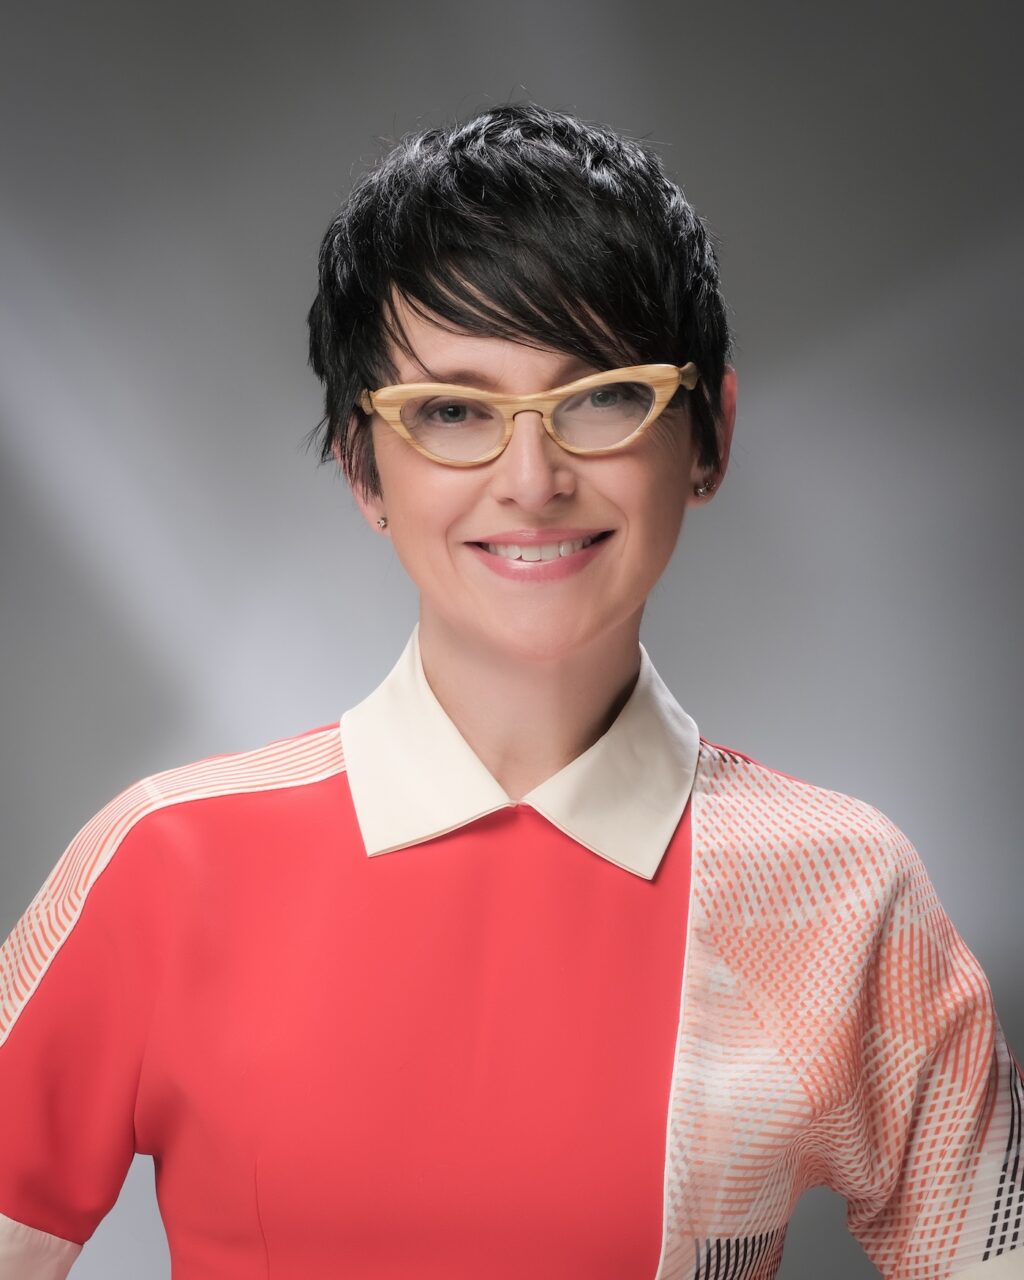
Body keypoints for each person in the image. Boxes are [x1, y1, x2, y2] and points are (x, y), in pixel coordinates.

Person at [0, 103, 1020, 1280]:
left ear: (708, 438)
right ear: (362, 466)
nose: (529, 478)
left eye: (600, 395)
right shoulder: (162, 861)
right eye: (451, 411)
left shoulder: (845, 892)